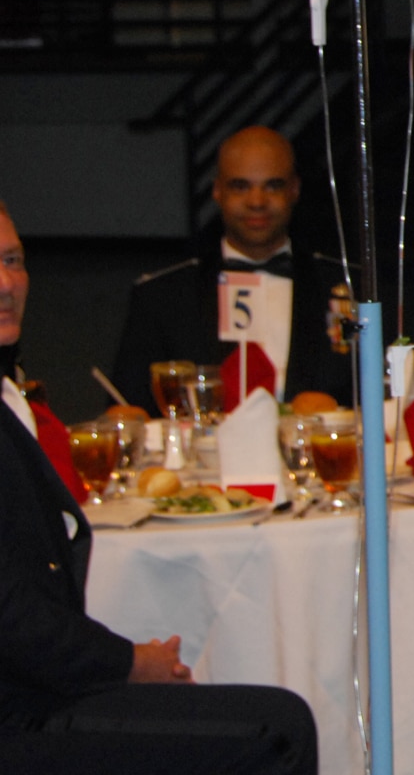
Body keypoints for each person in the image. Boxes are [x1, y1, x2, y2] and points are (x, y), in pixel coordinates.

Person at [0, 201, 319, 775]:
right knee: (279, 728)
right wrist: (128, 663)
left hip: (36, 686)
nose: (5, 283)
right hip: (16, 713)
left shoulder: (9, 395)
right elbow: (11, 615)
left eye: (13, 260)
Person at [109, 126, 352, 411]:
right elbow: (127, 410)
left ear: (294, 190)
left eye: (273, 186)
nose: (257, 201)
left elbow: (383, 406)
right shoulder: (161, 297)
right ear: (217, 191)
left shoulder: (349, 287)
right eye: (240, 186)